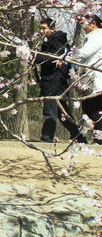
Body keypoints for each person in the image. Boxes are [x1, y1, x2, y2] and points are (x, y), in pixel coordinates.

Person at [35, 18, 84, 143]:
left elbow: (54, 56)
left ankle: (47, 137)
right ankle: (78, 135)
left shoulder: (56, 38)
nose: (41, 31)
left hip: (53, 80)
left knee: (50, 109)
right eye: (40, 28)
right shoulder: (53, 39)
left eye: (44, 28)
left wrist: (36, 56)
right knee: (62, 111)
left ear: (52, 29)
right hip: (55, 80)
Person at [76, 14, 102, 145]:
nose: (83, 26)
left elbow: (85, 52)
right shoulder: (94, 36)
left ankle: (99, 138)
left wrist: (67, 57)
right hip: (92, 76)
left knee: (92, 107)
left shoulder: (97, 36)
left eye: (85, 23)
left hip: (96, 78)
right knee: (91, 107)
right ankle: (98, 137)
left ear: (93, 24)